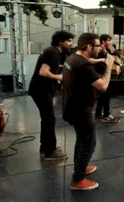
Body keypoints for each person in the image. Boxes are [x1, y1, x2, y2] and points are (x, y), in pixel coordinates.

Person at [62, 33, 115, 190]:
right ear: (88, 47)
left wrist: (100, 60)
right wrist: (109, 66)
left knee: (81, 140)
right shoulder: (82, 65)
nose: (100, 48)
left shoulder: (73, 58)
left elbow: (88, 61)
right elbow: (103, 86)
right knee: (88, 143)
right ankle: (77, 180)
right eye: (97, 45)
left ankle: (81, 166)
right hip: (80, 110)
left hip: (72, 107)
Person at [28, 30, 73, 160]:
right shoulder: (52, 52)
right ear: (60, 41)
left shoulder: (55, 52)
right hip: (41, 89)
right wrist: (60, 77)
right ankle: (50, 151)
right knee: (49, 118)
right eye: (69, 41)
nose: (71, 44)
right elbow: (43, 72)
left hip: (42, 89)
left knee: (47, 118)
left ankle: (45, 147)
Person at [94, 34, 120, 123]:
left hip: (106, 74)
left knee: (103, 95)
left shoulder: (107, 50)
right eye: (108, 41)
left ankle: (98, 113)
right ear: (103, 41)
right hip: (101, 74)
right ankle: (106, 113)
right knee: (105, 94)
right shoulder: (99, 51)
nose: (110, 43)